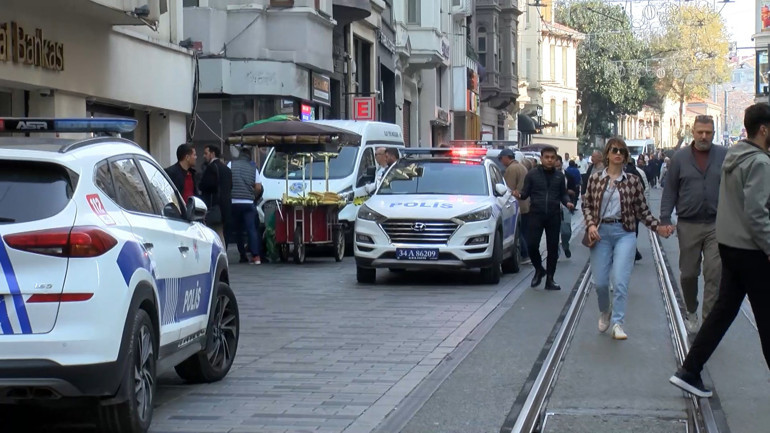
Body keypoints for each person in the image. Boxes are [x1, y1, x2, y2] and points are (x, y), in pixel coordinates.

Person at [669, 103, 770, 398]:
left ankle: (690, 370)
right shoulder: (761, 163)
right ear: (763, 129)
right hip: (752, 249)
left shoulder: (734, 156)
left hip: (730, 246)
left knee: (722, 312)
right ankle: (690, 370)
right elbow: (756, 212)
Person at [583, 137, 672, 340]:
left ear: (625, 157)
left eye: (622, 152)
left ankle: (618, 323)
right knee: (601, 284)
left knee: (621, 281)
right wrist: (590, 225)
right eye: (614, 150)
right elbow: (586, 204)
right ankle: (605, 310)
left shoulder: (632, 181)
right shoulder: (596, 178)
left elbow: (642, 210)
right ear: (607, 154)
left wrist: (658, 227)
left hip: (624, 232)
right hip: (600, 233)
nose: (618, 154)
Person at [660, 115, 727, 333]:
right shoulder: (680, 158)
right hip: (688, 224)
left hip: (717, 225)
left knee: (713, 274)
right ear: (693, 132)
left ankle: (708, 323)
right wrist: (664, 218)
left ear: (714, 133)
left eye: (708, 132)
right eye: (700, 132)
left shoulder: (724, 155)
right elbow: (670, 190)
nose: (704, 136)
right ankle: (691, 310)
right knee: (688, 274)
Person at [513, 146, 574, 290]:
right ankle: (539, 269)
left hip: (553, 215)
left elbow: (563, 194)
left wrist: (567, 202)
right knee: (532, 245)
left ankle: (550, 279)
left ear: (556, 159)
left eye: (552, 157)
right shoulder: (532, 174)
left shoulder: (559, 177)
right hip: (536, 214)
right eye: (547, 157)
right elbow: (526, 193)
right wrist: (519, 195)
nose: (549, 160)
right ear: (541, 159)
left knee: (553, 248)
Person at [228, 146, 263, 265]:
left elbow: (227, 180)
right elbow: (258, 187)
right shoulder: (253, 168)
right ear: (249, 156)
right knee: (251, 229)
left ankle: (242, 255)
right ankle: (256, 256)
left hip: (234, 202)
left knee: (237, 230)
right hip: (248, 202)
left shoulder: (231, 164)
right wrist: (252, 194)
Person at [498, 148, 530, 263]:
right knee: (524, 231)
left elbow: (508, 190)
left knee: (518, 231)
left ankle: (525, 253)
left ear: (507, 157)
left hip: (517, 205)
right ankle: (526, 253)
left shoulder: (511, 169)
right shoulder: (522, 167)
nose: (501, 162)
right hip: (525, 204)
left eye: (501, 159)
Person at [199, 144, 233, 246]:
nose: (204, 156)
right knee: (221, 233)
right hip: (225, 207)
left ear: (212, 154)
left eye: (206, 153)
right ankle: (223, 255)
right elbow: (230, 186)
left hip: (213, 206)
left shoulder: (211, 168)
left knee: (212, 234)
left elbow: (205, 185)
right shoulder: (227, 169)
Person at [555, 156, 573, 258]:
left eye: (559, 165)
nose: (557, 167)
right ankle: (555, 251)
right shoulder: (548, 176)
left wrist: (571, 201)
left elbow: (574, 190)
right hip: (553, 206)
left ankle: (565, 245)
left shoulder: (568, 176)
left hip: (566, 206)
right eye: (555, 166)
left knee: (566, 231)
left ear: (561, 164)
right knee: (554, 231)